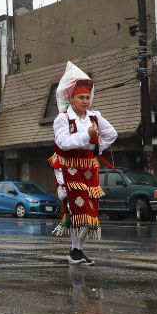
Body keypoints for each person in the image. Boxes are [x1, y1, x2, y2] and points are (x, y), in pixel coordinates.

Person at [50, 62, 117, 265]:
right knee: (78, 210)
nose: (85, 101)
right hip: (69, 169)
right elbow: (63, 143)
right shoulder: (62, 119)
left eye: (88, 97)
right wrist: (86, 136)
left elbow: (112, 134)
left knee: (90, 211)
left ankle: (77, 250)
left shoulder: (95, 116)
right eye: (81, 97)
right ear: (71, 98)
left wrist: (96, 148)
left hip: (89, 169)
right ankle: (75, 251)